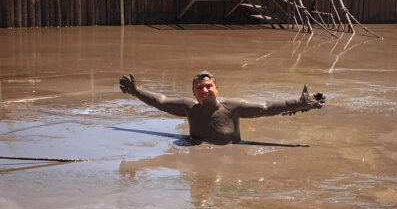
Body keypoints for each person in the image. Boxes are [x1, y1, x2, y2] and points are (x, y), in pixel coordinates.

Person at [119, 71, 326, 143]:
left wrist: (299, 103)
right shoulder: (189, 107)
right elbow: (161, 102)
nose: (204, 90)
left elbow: (266, 107)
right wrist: (136, 91)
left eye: (208, 86)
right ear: (194, 92)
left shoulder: (232, 108)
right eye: (199, 88)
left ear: (217, 89)